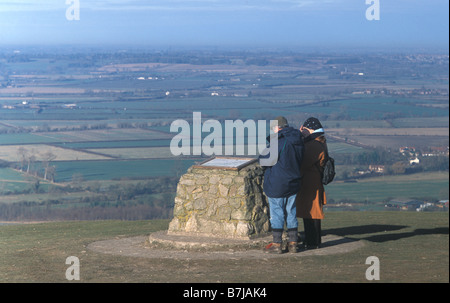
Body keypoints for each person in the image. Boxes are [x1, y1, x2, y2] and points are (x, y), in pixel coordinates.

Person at [259, 116, 304, 254]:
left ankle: (277, 244)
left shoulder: (278, 141)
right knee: (291, 212)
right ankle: (293, 243)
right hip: (294, 181)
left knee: (277, 212)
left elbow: (264, 160)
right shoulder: (298, 140)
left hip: (278, 183)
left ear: (277, 128)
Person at [296, 117, 328, 249]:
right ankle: (312, 240)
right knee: (309, 211)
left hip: (310, 181)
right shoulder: (318, 142)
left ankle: (313, 241)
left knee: (312, 212)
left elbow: (304, 162)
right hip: (313, 180)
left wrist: (300, 138)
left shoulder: (313, 145)